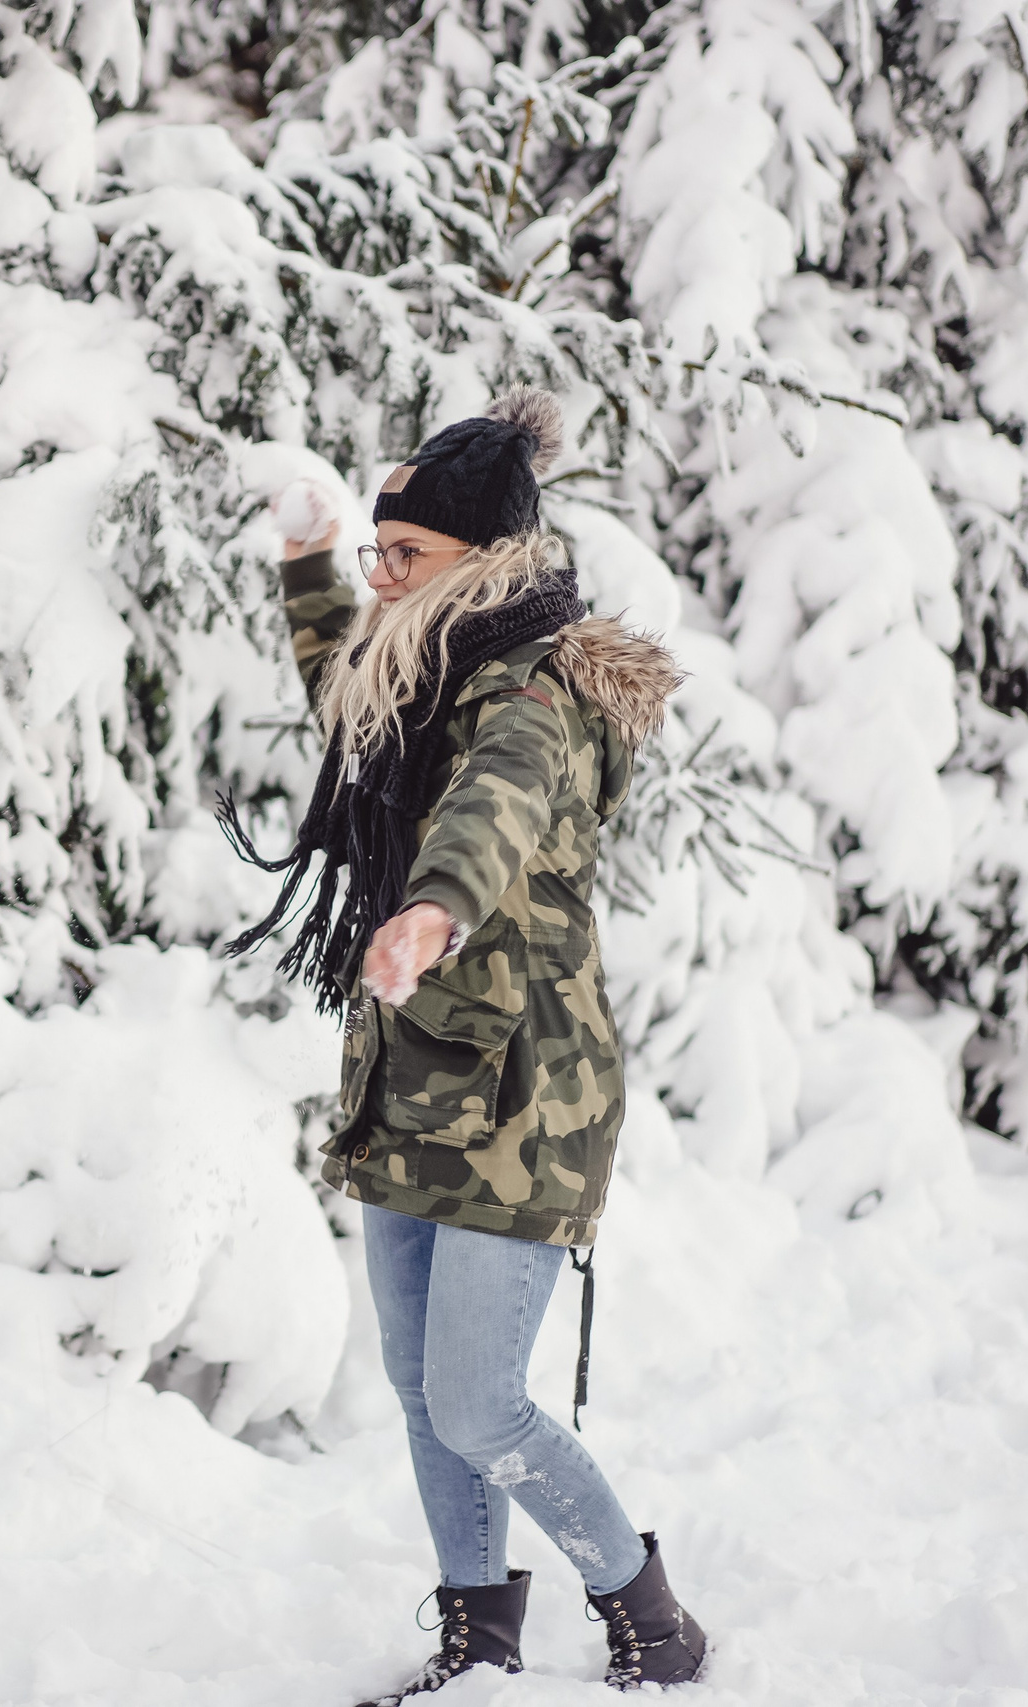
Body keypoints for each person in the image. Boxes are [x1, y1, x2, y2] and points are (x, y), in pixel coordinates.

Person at [225, 388, 707, 1696]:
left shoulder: (536, 691)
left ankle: (649, 1610)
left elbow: (491, 808)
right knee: (421, 1384)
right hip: (414, 1077)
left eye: (404, 557)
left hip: (524, 1091)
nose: (383, 581)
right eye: (379, 557)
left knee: (479, 1397)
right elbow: (352, 690)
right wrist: (305, 559)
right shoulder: (425, 661)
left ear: (481, 562)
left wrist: (431, 908)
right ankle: (480, 1632)